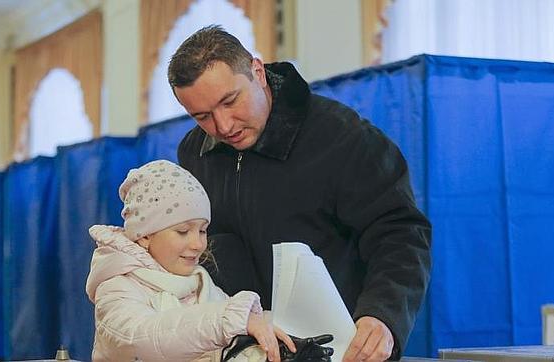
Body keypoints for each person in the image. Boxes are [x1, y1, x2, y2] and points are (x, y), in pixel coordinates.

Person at [168, 25, 432, 361]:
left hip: (340, 350)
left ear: (258, 72)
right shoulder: (194, 153)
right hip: (242, 352)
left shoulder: (340, 136)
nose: (224, 127)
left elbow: (400, 231)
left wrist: (383, 314)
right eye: (202, 116)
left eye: (230, 101)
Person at [85, 160, 299, 362]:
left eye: (203, 230)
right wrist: (231, 320)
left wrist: (279, 329)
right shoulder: (117, 286)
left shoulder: (201, 284)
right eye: (183, 231)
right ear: (145, 235)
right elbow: (139, 339)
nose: (198, 244)